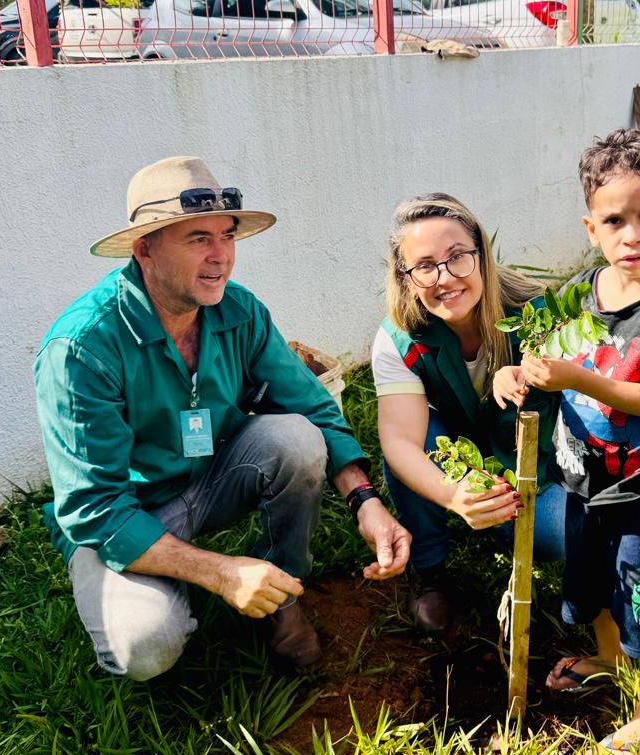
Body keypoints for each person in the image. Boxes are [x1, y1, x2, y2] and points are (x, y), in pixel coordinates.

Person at [34, 156, 410, 682]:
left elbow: (312, 405)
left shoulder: (239, 311)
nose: (221, 258)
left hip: (208, 479)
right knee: (147, 647)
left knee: (297, 439)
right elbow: (94, 508)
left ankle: (280, 592)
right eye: (197, 240)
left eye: (227, 236)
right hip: (126, 513)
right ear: (145, 248)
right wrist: (220, 571)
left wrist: (363, 498)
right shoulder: (82, 348)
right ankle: (167, 591)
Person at [374, 193, 640, 632]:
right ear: (406, 277)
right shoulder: (399, 337)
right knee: (411, 446)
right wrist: (454, 495)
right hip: (456, 450)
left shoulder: (538, 314)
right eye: (425, 266)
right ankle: (430, 572)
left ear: (482, 255)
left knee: (569, 537)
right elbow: (397, 440)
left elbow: (622, 381)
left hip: (539, 466)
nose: (445, 277)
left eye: (458, 257)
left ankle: (504, 521)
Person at [495, 130, 640, 755]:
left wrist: (576, 378)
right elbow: (540, 352)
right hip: (581, 483)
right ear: (591, 228)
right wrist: (514, 373)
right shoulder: (576, 294)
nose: (632, 235)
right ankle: (606, 658)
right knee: (590, 584)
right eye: (614, 220)